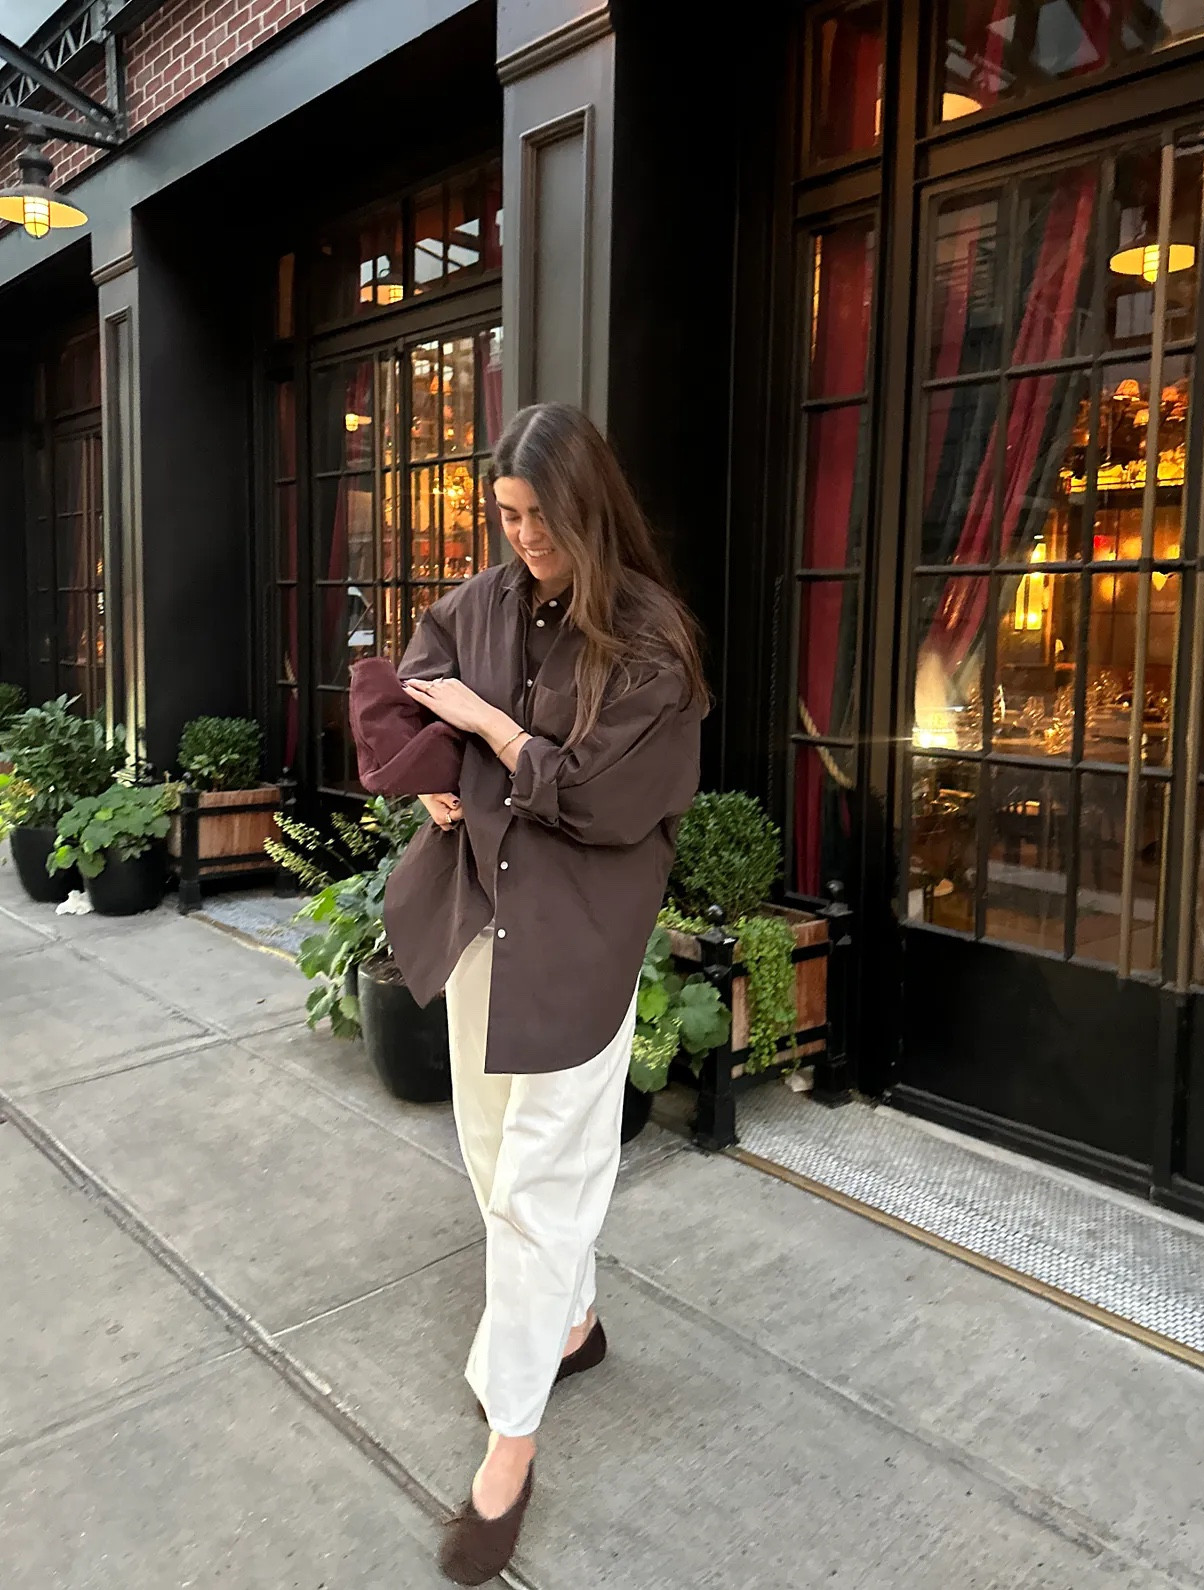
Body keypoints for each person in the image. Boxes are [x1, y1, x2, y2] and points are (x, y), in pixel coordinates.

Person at [381, 401, 707, 1585]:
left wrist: (486, 728)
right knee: (485, 1150)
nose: (517, 537)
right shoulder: (486, 602)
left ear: (588, 507)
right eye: (504, 516)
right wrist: (430, 770)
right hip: (478, 916)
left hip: (575, 943)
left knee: (536, 1188)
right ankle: (571, 1326)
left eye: (536, 517)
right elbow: (415, 676)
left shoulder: (653, 645)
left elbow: (600, 799)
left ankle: (508, 1443)